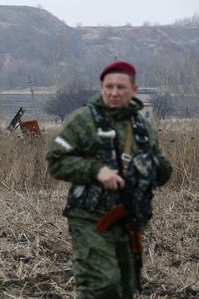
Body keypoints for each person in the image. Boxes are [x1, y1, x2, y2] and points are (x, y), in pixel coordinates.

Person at [47, 61, 172, 298]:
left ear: (134, 90)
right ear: (101, 87)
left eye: (120, 87)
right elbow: (56, 161)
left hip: (130, 219)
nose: (114, 92)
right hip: (90, 216)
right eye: (109, 86)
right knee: (101, 285)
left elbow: (164, 172)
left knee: (126, 288)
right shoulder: (83, 120)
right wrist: (95, 170)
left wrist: (150, 167)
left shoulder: (142, 127)